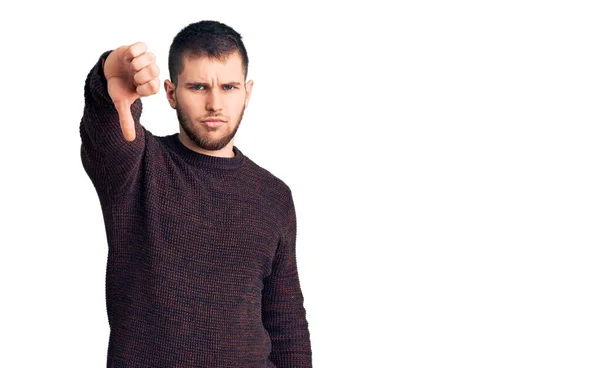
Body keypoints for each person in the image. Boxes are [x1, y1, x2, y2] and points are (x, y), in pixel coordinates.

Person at [80, 20, 312, 367]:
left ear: (248, 92)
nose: (215, 103)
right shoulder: (138, 167)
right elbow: (108, 133)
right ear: (171, 93)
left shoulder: (274, 196)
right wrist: (107, 74)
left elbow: (286, 323)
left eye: (229, 87)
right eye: (199, 87)